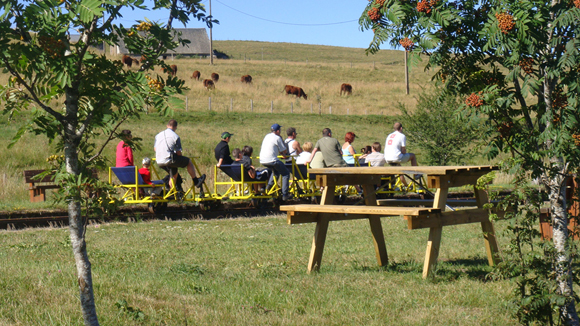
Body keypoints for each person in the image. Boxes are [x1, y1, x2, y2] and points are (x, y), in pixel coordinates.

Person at [154, 119, 205, 191]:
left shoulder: (158, 136)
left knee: (174, 174)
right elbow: (178, 152)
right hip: (169, 159)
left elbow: (155, 149)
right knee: (188, 162)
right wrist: (180, 158)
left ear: (167, 125)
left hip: (159, 160)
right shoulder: (175, 136)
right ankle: (196, 181)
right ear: (175, 127)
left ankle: (171, 192)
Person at [259, 123, 292, 201]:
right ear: (277, 131)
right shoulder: (277, 138)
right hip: (272, 160)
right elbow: (284, 150)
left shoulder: (267, 136)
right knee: (286, 173)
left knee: (277, 171)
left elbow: (272, 147)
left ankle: (267, 188)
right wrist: (283, 152)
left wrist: (281, 153)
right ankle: (285, 194)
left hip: (263, 160)